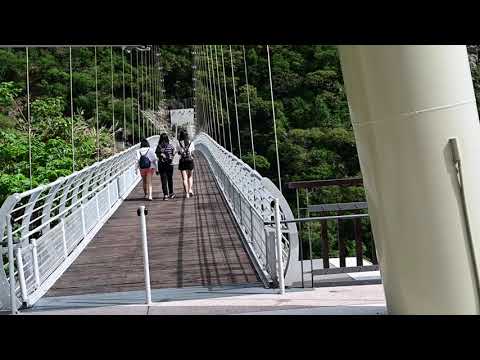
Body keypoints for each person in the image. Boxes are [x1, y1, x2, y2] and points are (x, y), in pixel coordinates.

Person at [155, 133, 176, 201]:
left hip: (162, 165)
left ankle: (165, 195)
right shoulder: (171, 146)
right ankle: (171, 193)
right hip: (169, 165)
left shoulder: (159, 146)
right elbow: (173, 153)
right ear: (167, 138)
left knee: (163, 180)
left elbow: (157, 156)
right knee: (170, 179)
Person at [177, 129, 195, 198]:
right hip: (190, 161)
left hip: (182, 161)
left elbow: (178, 152)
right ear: (187, 135)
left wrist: (181, 152)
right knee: (190, 176)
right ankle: (190, 189)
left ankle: (187, 193)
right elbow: (192, 153)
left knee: (184, 179)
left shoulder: (178, 143)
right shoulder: (191, 142)